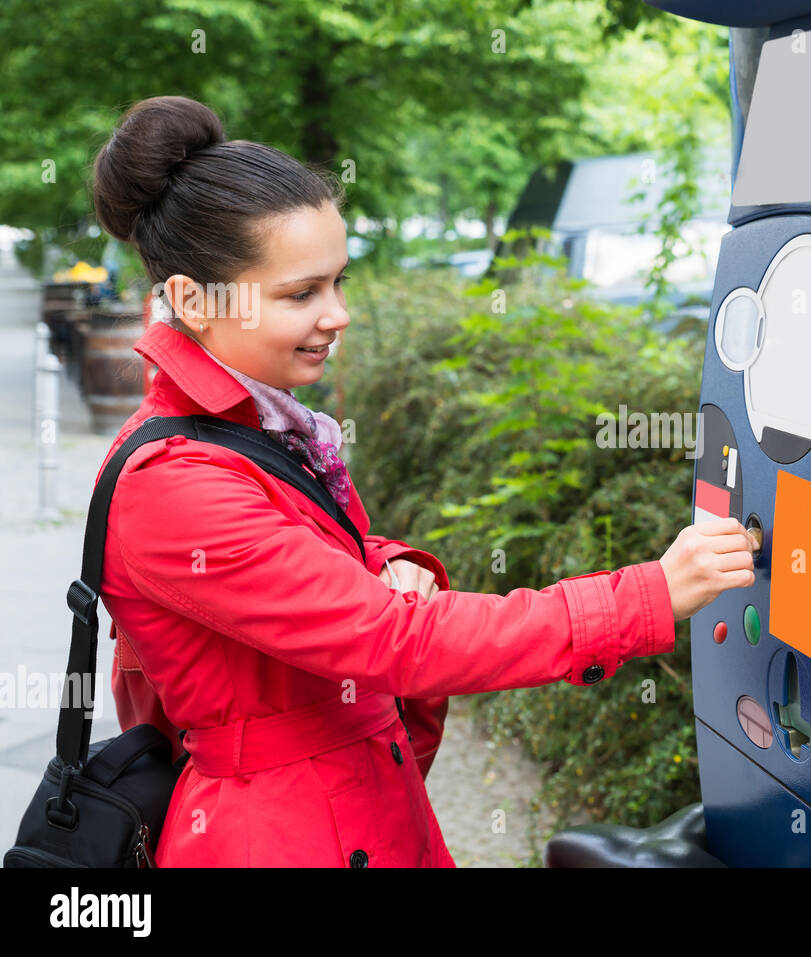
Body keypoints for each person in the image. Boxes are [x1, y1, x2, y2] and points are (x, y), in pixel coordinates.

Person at [90, 95, 759, 867]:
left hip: (352, 810)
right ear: (191, 300)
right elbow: (394, 641)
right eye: (301, 294)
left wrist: (381, 562)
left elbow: (296, 566)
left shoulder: (252, 428)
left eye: (339, 282)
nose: (337, 314)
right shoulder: (173, 483)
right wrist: (646, 594)